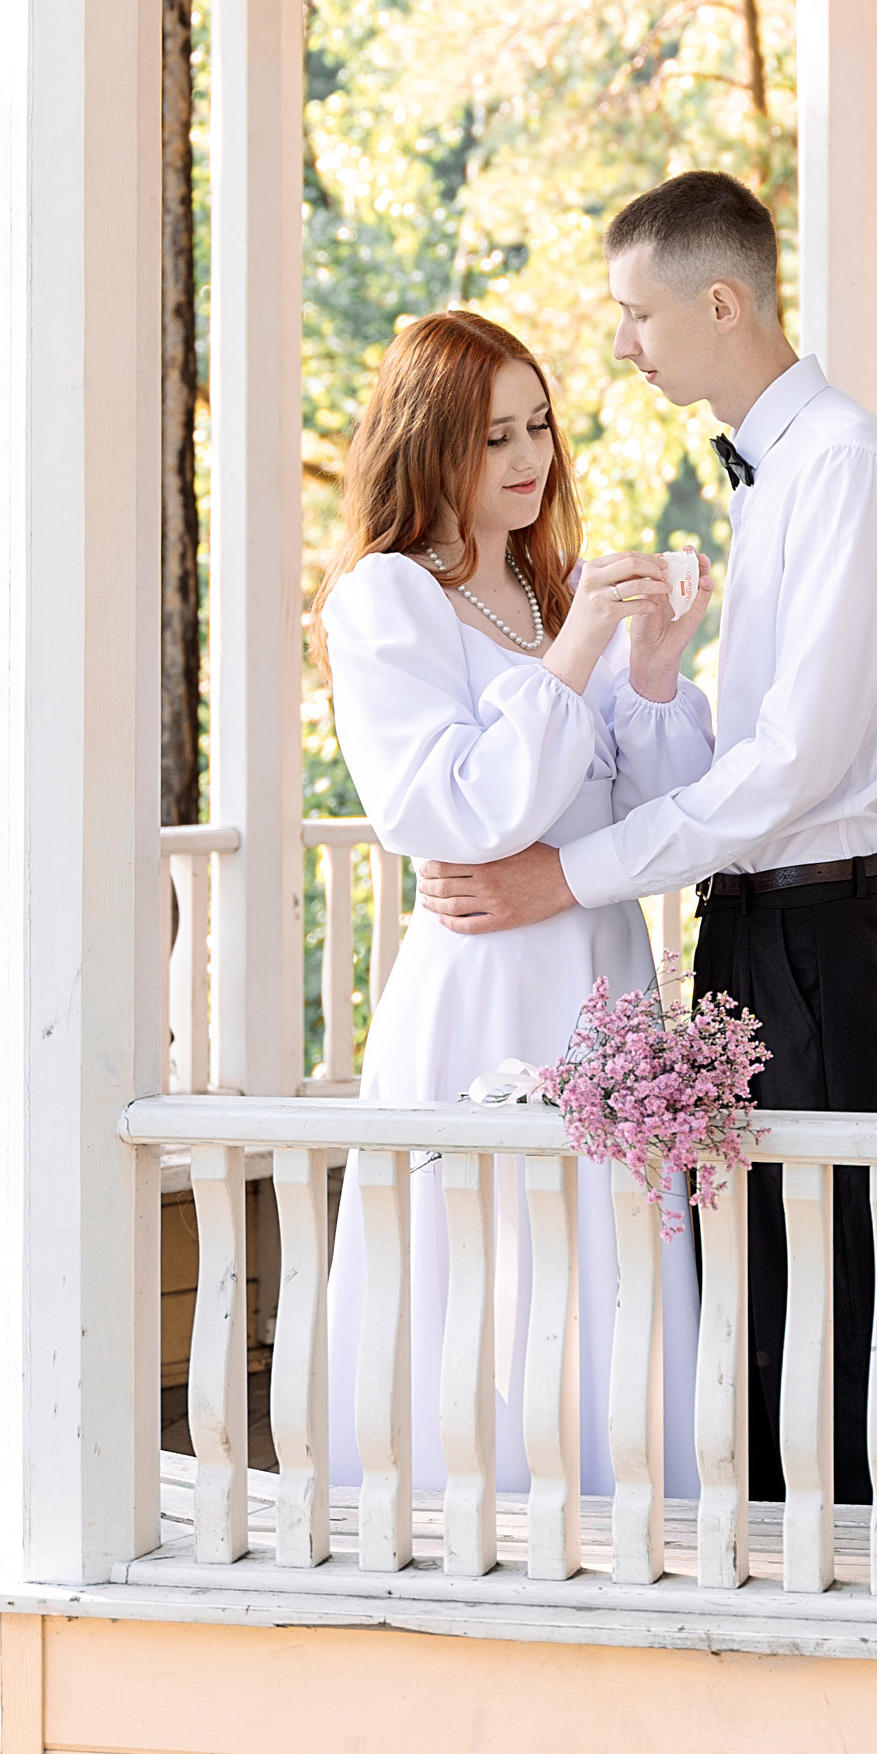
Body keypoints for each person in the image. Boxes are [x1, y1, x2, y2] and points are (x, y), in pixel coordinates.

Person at [417, 171, 877, 1517]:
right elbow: (744, 758)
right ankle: (785, 1579)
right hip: (756, 924)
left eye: (636, 316)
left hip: (826, 929)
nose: (620, 346)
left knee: (837, 1286)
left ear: (720, 302)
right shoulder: (772, 482)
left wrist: (568, 874)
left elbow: (799, 767)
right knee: (758, 1287)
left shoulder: (844, 468)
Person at [313, 306, 715, 1505]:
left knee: (611, 1262)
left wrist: (650, 667)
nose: (529, 457)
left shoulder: (543, 592)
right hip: (483, 990)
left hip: (601, 979)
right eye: (494, 436)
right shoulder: (386, 601)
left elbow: (654, 820)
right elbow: (453, 808)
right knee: (474, 1265)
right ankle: (443, 1515)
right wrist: (581, 640)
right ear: (431, 442)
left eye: (539, 425)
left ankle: (632, 1501)